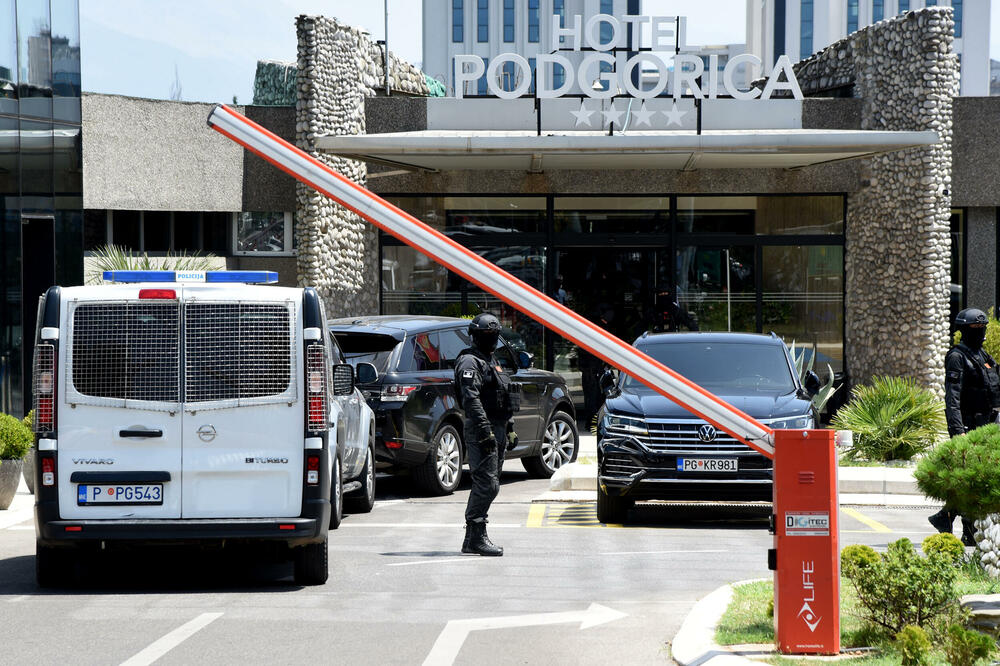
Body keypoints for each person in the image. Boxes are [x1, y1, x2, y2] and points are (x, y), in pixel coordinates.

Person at [929, 308, 1000, 546]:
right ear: (963, 331)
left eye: (982, 328)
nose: (979, 332)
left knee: (974, 480)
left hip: (987, 426)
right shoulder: (957, 357)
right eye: (974, 329)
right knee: (972, 480)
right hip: (968, 427)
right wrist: (958, 432)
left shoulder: (983, 355)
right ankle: (964, 528)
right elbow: (953, 398)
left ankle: (948, 518)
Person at [455, 312, 519, 556]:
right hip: (483, 428)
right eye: (487, 335)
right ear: (476, 337)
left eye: (494, 335)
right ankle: (476, 536)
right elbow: (471, 401)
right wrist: (485, 432)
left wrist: (510, 428)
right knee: (487, 483)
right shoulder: (470, 362)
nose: (491, 339)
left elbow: (503, 394)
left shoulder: (492, 360)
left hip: (498, 427)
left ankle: (471, 539)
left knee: (492, 483)